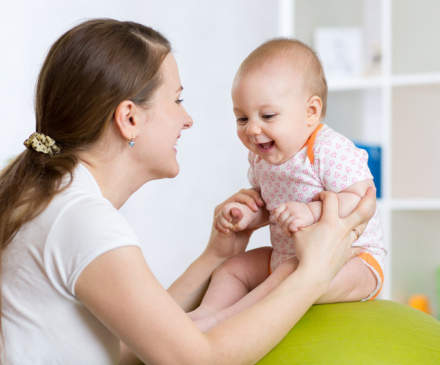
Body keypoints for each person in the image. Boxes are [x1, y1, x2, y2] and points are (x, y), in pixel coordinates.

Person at [0, 19, 376, 365]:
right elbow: (194, 360)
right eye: (178, 99)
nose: (187, 118)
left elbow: (134, 347)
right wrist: (313, 275)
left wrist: (215, 256)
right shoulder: (81, 222)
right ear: (130, 118)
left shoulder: (50, 201)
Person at [188, 38, 386, 332]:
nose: (252, 129)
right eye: (242, 118)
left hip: (352, 260)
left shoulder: (328, 149)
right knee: (233, 269)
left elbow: (361, 199)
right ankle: (206, 313)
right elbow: (269, 208)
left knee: (292, 275)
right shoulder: (260, 160)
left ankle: (222, 322)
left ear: (311, 112)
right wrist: (247, 215)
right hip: (288, 258)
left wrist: (312, 212)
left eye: (267, 116)